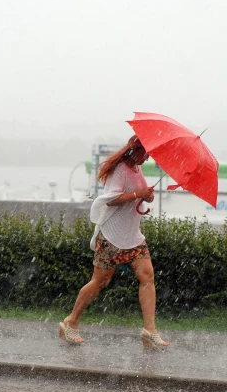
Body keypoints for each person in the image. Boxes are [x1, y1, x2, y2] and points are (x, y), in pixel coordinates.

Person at [58, 135, 169, 350]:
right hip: (111, 236)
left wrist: (146, 196)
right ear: (136, 150)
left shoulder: (137, 168)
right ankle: (70, 322)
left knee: (147, 276)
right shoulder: (120, 169)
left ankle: (150, 331)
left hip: (132, 237)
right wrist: (138, 193)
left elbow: (136, 194)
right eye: (145, 153)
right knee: (99, 282)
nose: (147, 158)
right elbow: (111, 198)